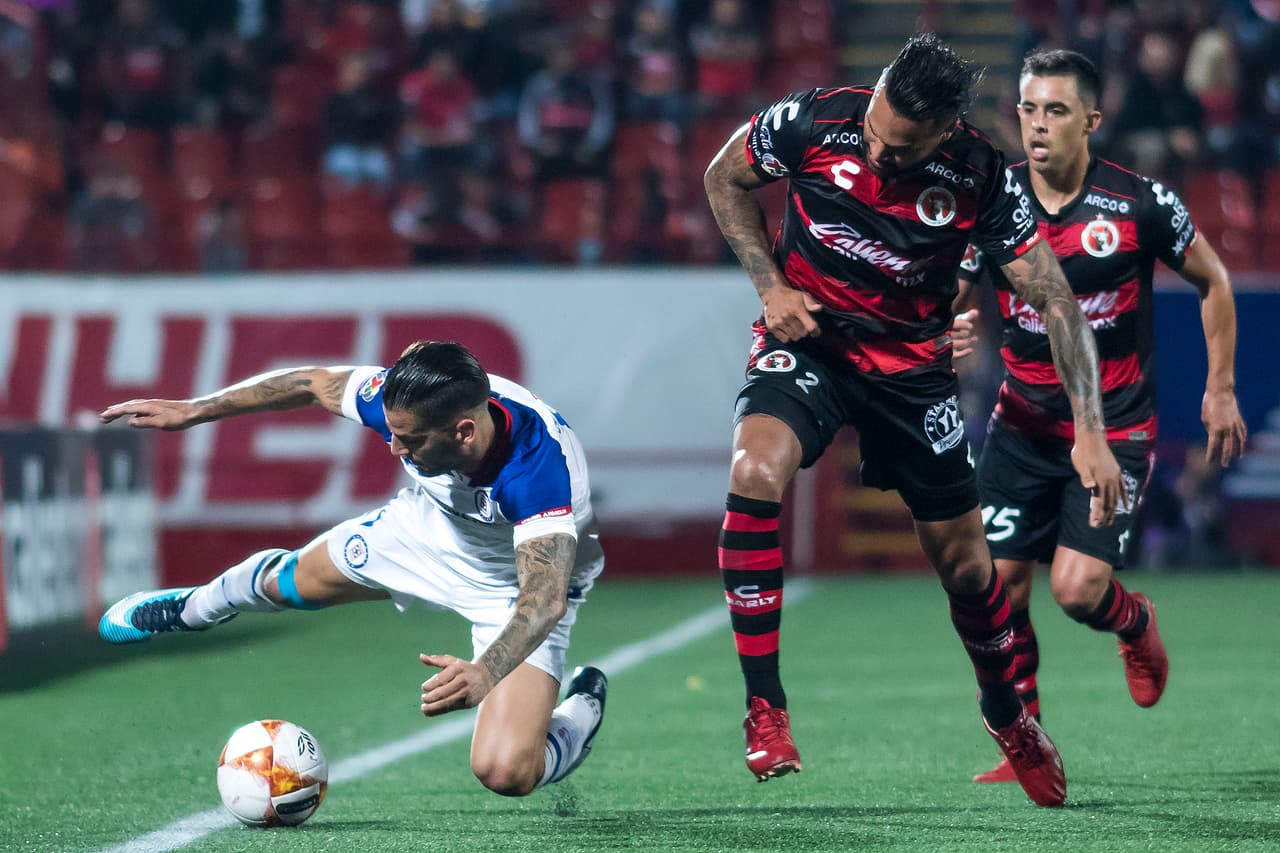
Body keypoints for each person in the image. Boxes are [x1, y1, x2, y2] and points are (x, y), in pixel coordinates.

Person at [702, 33, 1126, 808]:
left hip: (912, 372)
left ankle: (1009, 716)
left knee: (969, 569)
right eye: (875, 133)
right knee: (751, 473)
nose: (877, 153)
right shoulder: (813, 119)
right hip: (812, 346)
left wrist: (1090, 430)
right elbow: (722, 178)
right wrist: (770, 287)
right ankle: (765, 708)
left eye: (898, 151)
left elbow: (1057, 300)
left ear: (941, 132)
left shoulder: (980, 175)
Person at [97, 340, 608, 798]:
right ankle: (192, 607)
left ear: (464, 432)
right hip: (427, 532)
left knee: (506, 773)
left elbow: (543, 600)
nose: (393, 448)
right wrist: (194, 410)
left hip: (516, 587)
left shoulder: (539, 472)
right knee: (288, 584)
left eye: (408, 440)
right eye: (391, 432)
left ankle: (580, 711)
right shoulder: (407, 401)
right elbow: (310, 383)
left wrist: (485, 670)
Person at [951, 48, 1247, 784]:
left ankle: (1133, 621)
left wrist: (1221, 387)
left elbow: (1214, 280)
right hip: (1020, 422)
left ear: (1092, 118)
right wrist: (948, 326)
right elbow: (946, 289)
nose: (1038, 125)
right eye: (1028, 109)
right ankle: (1028, 740)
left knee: (1077, 589)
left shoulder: (1141, 202)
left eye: (1056, 110)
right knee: (1000, 588)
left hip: (1114, 423)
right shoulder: (993, 198)